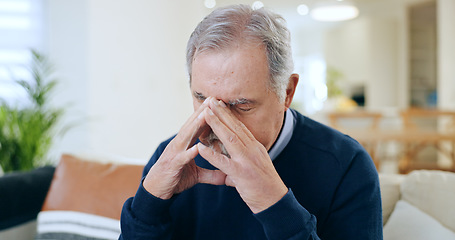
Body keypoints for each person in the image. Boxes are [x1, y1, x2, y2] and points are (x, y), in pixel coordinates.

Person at [119, 4, 382, 240]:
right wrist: (149, 202)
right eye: (202, 99)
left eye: (241, 105)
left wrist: (274, 204)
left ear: (287, 93)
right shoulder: (171, 160)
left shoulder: (347, 165)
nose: (216, 124)